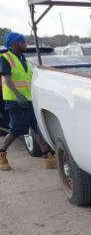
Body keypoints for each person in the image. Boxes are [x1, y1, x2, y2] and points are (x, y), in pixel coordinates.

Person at [0, 32, 56, 171]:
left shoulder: (24, 59)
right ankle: (1, 153)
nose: (25, 44)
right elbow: (7, 78)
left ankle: (47, 156)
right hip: (15, 100)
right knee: (18, 128)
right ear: (13, 44)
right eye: (22, 42)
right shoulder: (6, 58)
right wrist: (18, 95)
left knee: (36, 127)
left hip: (30, 99)